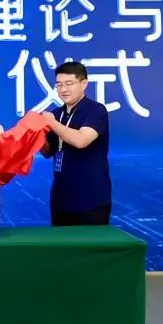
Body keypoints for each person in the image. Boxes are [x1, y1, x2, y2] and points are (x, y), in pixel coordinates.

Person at [40, 61, 112, 225]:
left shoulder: (96, 110)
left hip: (91, 200)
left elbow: (81, 140)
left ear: (84, 83)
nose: (63, 89)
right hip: (61, 199)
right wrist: (36, 135)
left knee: (90, 241)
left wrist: (51, 123)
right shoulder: (56, 114)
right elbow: (48, 152)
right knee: (61, 241)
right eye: (59, 84)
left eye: (69, 83)